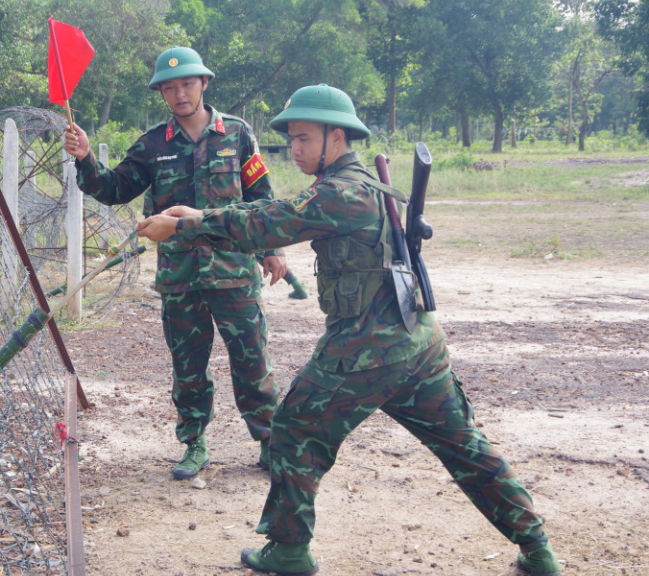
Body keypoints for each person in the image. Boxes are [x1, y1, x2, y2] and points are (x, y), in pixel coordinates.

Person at [135, 84, 561, 576]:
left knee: (293, 427)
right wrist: (199, 215)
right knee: (463, 444)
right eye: (290, 139)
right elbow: (268, 214)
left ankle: (290, 551)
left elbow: (270, 223)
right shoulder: (359, 184)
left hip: (369, 347)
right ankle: (538, 548)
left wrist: (186, 227)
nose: (293, 149)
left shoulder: (343, 192)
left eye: (302, 139)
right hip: (417, 343)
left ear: (335, 137)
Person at [62, 46, 285, 480]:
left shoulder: (237, 135)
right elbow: (113, 188)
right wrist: (85, 157)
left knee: (251, 360)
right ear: (161, 93)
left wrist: (271, 249)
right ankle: (194, 443)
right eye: (169, 87)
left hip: (233, 273)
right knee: (188, 368)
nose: (179, 93)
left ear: (204, 83)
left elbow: (261, 199)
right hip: (181, 278)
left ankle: (268, 440)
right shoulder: (151, 145)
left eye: (186, 83)